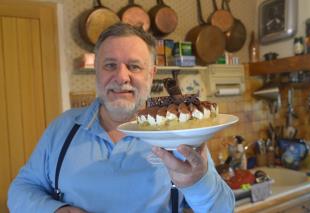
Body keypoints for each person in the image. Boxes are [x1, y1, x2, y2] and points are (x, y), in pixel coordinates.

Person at [7, 23, 235, 213]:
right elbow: (20, 190)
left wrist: (197, 182)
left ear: (151, 74)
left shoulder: (180, 135)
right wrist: (55, 210)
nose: (121, 76)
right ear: (96, 69)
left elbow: (223, 209)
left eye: (134, 66)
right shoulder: (63, 128)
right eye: (110, 65)